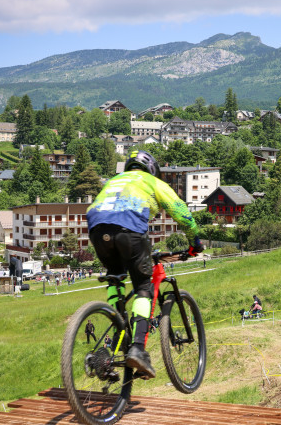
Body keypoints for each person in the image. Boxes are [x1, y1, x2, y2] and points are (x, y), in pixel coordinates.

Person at [86, 149, 201, 379]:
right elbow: (181, 212)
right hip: (129, 231)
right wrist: (195, 241)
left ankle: (119, 332)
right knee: (143, 288)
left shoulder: (114, 180)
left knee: (115, 276)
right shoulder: (151, 181)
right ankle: (138, 347)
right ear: (152, 170)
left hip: (97, 229)